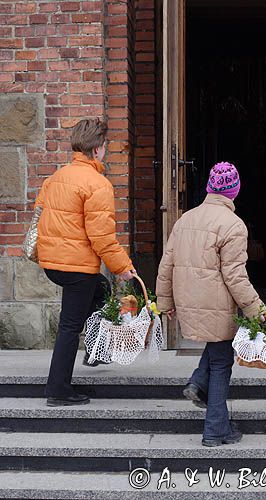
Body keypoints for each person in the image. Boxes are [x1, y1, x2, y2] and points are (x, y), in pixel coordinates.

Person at [156, 162, 266, 447]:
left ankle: (198, 382)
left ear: (209, 187)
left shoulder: (184, 219)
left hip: (189, 299)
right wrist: (257, 309)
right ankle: (216, 430)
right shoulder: (233, 224)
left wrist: (165, 301)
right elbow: (235, 276)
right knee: (221, 362)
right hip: (217, 303)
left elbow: (166, 264)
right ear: (234, 191)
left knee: (216, 348)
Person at [34, 118, 135, 407]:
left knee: (101, 290)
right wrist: (122, 267)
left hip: (54, 264)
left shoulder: (55, 177)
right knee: (69, 326)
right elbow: (102, 237)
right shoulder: (97, 184)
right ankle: (58, 389)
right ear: (99, 149)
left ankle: (96, 349)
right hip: (76, 267)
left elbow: (40, 214)